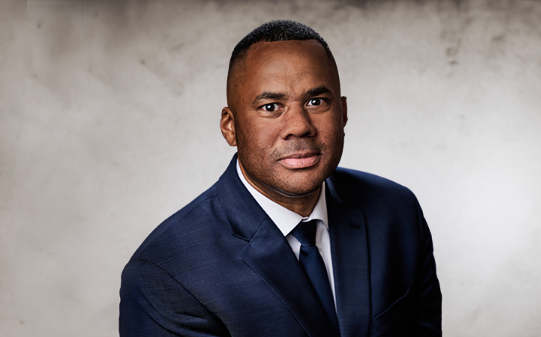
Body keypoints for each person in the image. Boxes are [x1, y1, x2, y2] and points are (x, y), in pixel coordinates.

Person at [119, 20, 442, 337]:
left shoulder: (396, 212)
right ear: (230, 127)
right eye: (271, 106)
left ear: (343, 112)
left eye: (316, 102)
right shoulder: (165, 274)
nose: (299, 126)